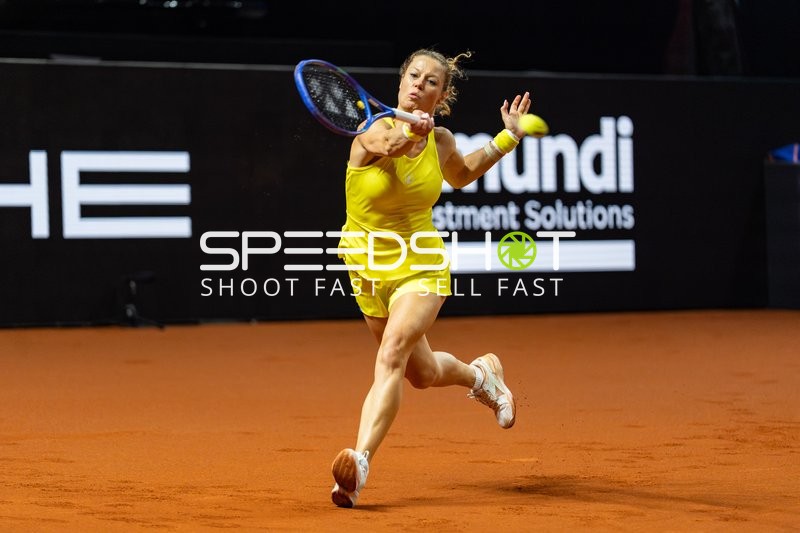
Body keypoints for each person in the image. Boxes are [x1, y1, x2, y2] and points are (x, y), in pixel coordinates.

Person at [330, 48, 531, 508]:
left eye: (431, 82)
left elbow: (460, 175)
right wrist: (407, 131)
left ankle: (358, 464)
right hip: (366, 269)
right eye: (414, 77)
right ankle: (482, 377)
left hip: (421, 263)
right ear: (401, 84)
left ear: (441, 95)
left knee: (392, 355)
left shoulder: (440, 140)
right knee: (420, 373)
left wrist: (507, 139)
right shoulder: (370, 131)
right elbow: (389, 147)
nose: (420, 85)